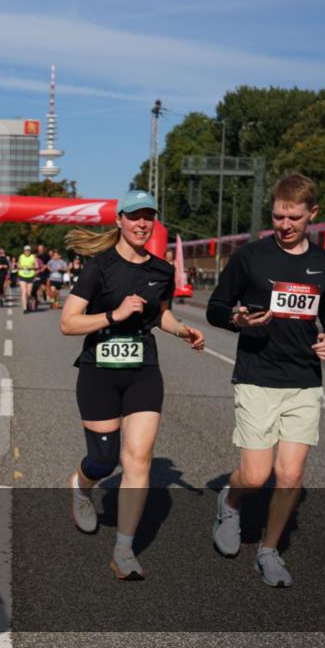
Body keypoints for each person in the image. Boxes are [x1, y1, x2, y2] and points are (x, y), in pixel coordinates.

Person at [206, 172, 325, 588]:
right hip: (257, 375)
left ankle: (269, 551)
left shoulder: (324, 263)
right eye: (278, 216)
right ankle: (230, 503)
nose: (285, 225)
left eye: (294, 218)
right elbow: (216, 307)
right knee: (254, 476)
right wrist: (236, 318)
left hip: (303, 379)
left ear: (313, 215)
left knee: (290, 477)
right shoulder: (250, 257)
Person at [60, 189, 204, 580]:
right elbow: (68, 322)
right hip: (98, 371)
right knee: (104, 461)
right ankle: (82, 485)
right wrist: (114, 313)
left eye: (148, 217)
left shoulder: (160, 270)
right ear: (120, 220)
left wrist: (181, 331)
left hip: (143, 370)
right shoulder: (98, 267)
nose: (142, 223)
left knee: (137, 459)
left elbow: (161, 316)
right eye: (134, 216)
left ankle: (123, 551)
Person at [17, 245, 39, 313]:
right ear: (24, 251)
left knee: (29, 293)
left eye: (28, 250)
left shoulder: (33, 257)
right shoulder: (21, 256)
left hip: (30, 276)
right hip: (22, 275)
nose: (27, 251)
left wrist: (31, 267)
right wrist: (21, 267)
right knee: (24, 292)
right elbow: (18, 265)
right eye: (26, 250)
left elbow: (37, 266)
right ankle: (24, 308)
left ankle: (28, 303)